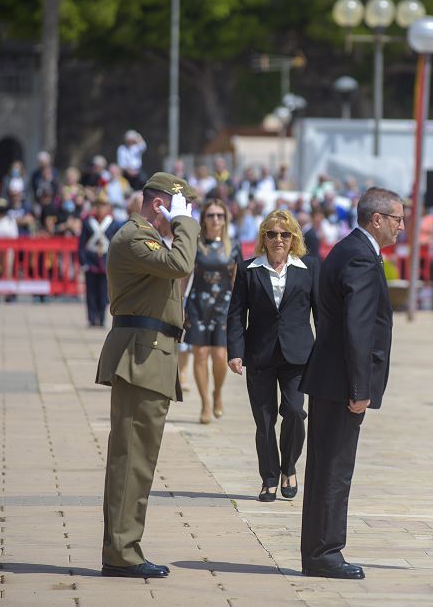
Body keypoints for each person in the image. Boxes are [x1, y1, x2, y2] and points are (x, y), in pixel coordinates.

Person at [95, 172, 199, 579]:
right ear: (161, 205)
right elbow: (181, 263)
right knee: (132, 459)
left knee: (140, 458)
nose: (183, 218)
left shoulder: (149, 239)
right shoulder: (134, 238)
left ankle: (124, 546)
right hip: (140, 357)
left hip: (152, 354)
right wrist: (184, 223)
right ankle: (121, 551)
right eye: (178, 209)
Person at [299, 187, 403, 580]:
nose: (401, 227)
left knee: (326, 467)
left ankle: (318, 551)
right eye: (397, 219)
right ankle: (325, 553)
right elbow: (357, 327)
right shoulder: (360, 256)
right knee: (334, 470)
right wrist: (360, 389)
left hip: (331, 377)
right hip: (342, 384)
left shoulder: (348, 250)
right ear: (376, 219)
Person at [227, 209, 319, 502]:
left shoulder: (310, 268)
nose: (278, 239)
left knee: (294, 412)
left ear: (294, 239)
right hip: (260, 355)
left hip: (298, 356)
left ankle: (288, 466)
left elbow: (322, 314)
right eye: (272, 234)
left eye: (285, 234)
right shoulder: (247, 270)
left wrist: (327, 352)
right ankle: (269, 476)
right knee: (264, 421)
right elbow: (236, 315)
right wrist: (235, 352)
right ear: (263, 238)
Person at [182, 198, 243, 423]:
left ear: (225, 219)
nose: (216, 219)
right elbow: (184, 277)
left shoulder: (233, 245)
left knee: (220, 356)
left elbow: (238, 281)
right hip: (198, 303)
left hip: (224, 305)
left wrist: (241, 310)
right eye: (211, 215)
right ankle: (205, 403)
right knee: (199, 354)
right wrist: (179, 303)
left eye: (220, 215)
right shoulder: (196, 244)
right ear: (204, 218)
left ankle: (217, 393)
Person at [78, 195, 121, 328]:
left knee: (103, 293)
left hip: (105, 260)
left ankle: (102, 319)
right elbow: (81, 245)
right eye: (98, 205)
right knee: (90, 292)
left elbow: (116, 244)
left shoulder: (112, 223)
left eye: (103, 205)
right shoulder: (87, 222)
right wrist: (83, 262)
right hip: (91, 261)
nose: (100, 208)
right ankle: (92, 318)